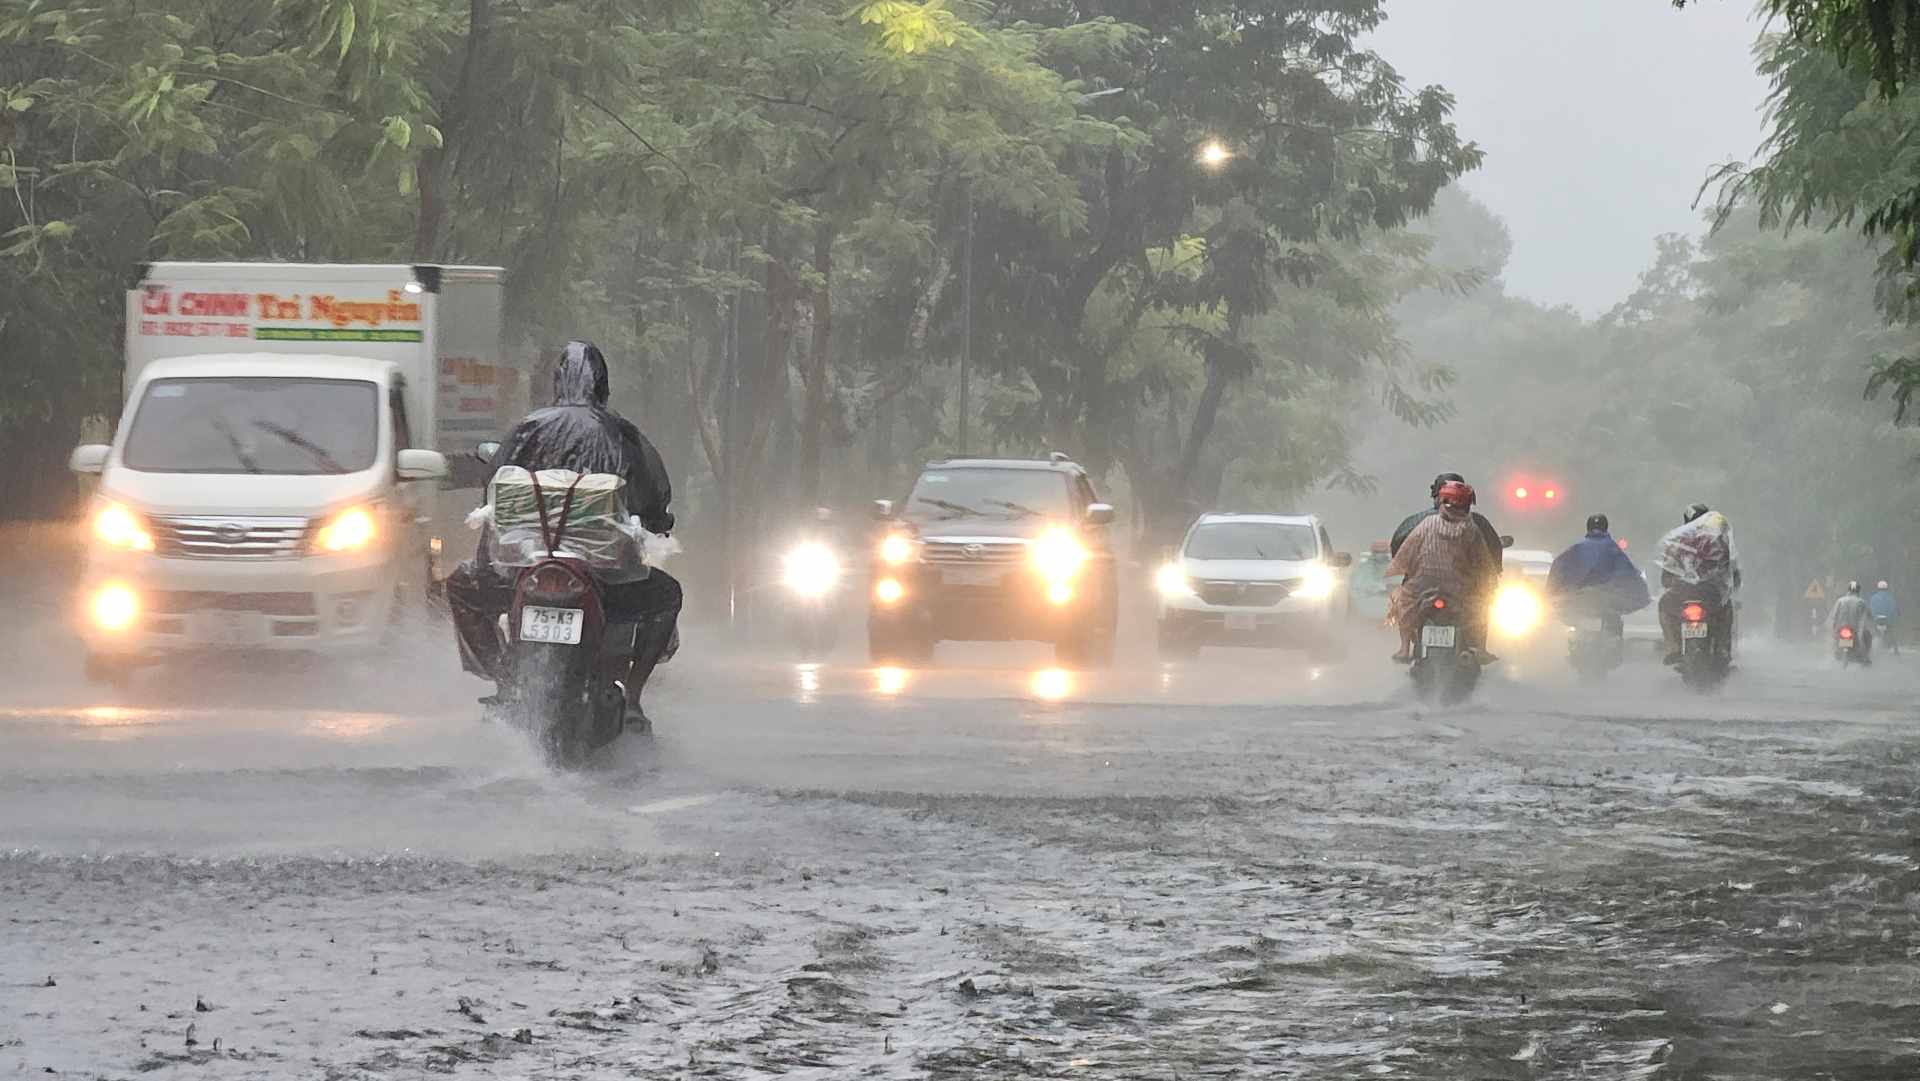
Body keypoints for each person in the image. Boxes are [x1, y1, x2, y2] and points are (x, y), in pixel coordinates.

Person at [446, 340, 683, 720]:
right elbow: (654, 495)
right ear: (603, 386)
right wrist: (657, 523)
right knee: (667, 595)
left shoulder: (527, 427)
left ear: (557, 383)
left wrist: (492, 558)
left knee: (460, 585)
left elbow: (492, 495)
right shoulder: (623, 434)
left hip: (524, 568)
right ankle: (634, 697)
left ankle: (502, 680)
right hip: (604, 574)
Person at [1385, 481, 1500, 662]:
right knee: (1481, 606)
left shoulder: (1425, 523)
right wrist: (1490, 580)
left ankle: (1404, 648)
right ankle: (1478, 648)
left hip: (1422, 587)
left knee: (1403, 601)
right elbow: (1484, 561)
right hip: (1460, 589)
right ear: (1467, 504)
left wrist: (1405, 572)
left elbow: (1405, 552)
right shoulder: (1471, 528)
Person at [1654, 502, 1741, 666]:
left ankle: (1673, 647)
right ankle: (1722, 649)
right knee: (1726, 609)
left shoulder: (1677, 541)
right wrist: (1732, 583)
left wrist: (1671, 581)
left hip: (1682, 593)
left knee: (1664, 606)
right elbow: (1730, 569)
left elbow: (1666, 574)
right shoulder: (1718, 541)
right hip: (1711, 593)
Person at [1546, 513, 1651, 637]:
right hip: (1606, 601)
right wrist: (1642, 595)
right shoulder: (1613, 550)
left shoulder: (1576, 549)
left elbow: (1558, 571)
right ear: (1606, 528)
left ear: (1588, 528)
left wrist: (1551, 594)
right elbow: (1629, 574)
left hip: (1581, 601)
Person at [1390, 472, 1504, 573]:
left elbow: (1397, 548)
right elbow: (1494, 549)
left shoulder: (1415, 521)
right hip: (1466, 590)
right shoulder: (1478, 521)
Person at [1832, 580, 1876, 659]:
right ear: (1858, 590)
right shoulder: (1861, 601)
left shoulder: (1840, 600)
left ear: (1848, 590)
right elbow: (1869, 615)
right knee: (1867, 637)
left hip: (1841, 628)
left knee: (1835, 641)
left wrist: (1834, 628)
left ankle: (1837, 653)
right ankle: (1865, 657)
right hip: (1855, 629)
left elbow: (1834, 615)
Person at [1870, 580, 1899, 654]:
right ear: (1886, 588)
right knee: (1892, 633)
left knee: (1872, 633)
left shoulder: (1873, 597)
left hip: (1876, 620)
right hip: (1887, 620)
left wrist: (1872, 617)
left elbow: (1870, 608)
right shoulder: (1890, 597)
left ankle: (1869, 649)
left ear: (1878, 588)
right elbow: (1894, 608)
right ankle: (1896, 650)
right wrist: (1897, 614)